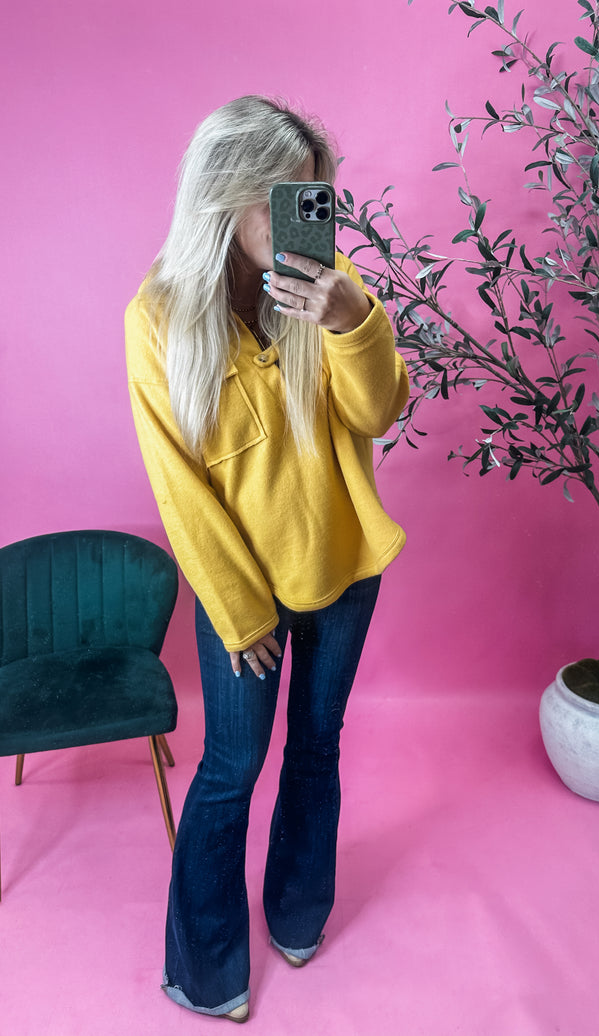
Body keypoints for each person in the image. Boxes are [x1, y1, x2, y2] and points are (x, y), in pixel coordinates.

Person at [124, 95, 408, 1023]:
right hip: (242, 588)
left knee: (317, 746)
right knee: (232, 768)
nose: (306, 216)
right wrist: (240, 612)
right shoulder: (158, 316)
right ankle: (205, 968)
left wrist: (351, 319)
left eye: (317, 196)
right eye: (288, 197)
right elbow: (180, 488)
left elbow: (377, 412)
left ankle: (298, 911)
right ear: (228, 196)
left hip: (344, 568)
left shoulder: (331, 284)